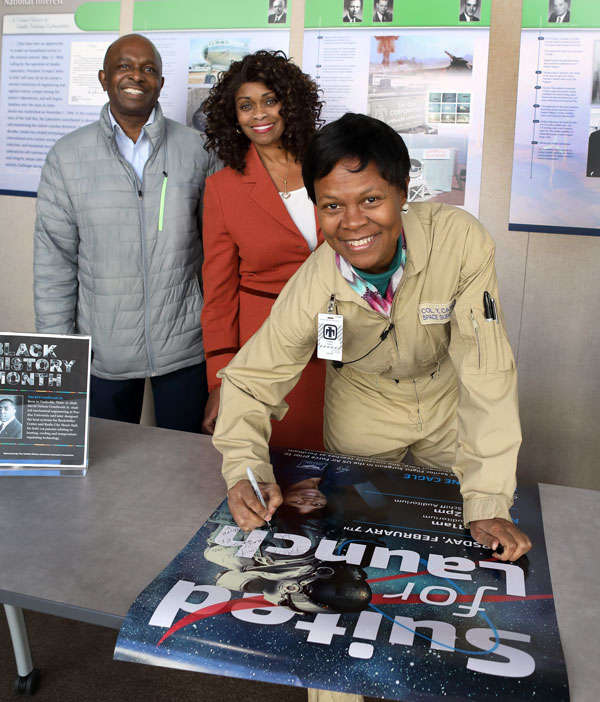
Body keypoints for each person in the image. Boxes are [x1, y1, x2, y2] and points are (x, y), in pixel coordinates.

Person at [213, 113, 532, 564]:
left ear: (403, 191)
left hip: (446, 401)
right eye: (332, 206)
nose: (353, 222)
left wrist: (488, 502)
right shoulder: (313, 284)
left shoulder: (459, 243)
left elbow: (487, 374)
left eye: (371, 199)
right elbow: (250, 381)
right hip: (362, 404)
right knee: (361, 536)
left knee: (457, 531)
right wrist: (246, 470)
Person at [34, 34, 218, 433]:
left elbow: (218, 252)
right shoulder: (67, 156)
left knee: (184, 470)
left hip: (185, 349)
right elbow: (54, 264)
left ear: (161, 84)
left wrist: (221, 348)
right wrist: (61, 355)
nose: (137, 75)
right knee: (105, 476)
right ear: (104, 78)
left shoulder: (198, 149)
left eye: (149, 68)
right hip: (103, 354)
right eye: (125, 66)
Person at [200, 50, 326, 448]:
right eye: (246, 105)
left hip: (343, 341)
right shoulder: (223, 188)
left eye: (270, 100)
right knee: (279, 467)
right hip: (266, 349)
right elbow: (218, 295)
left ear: (290, 104)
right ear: (232, 117)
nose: (259, 114)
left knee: (345, 465)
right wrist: (220, 380)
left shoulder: (329, 164)